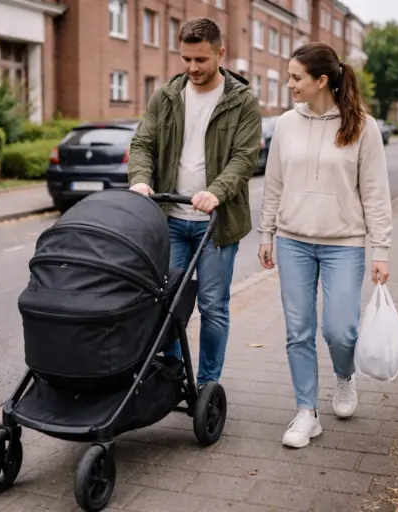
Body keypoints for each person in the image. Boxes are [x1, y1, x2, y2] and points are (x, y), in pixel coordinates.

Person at [257, 42, 393, 448]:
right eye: (289, 76)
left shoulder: (362, 127)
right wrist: (266, 233)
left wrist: (381, 249)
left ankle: (345, 377)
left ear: (321, 81)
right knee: (298, 331)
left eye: (296, 77)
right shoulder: (284, 124)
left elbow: (375, 193)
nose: (289, 84)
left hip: (344, 244)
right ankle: (306, 412)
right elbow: (274, 183)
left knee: (340, 330)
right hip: (293, 241)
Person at [128, 17, 261, 387]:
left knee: (213, 306)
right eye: (186, 59)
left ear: (221, 53)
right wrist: (140, 181)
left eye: (201, 60)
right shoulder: (167, 96)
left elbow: (244, 158)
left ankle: (206, 385)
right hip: (170, 217)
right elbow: (143, 144)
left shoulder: (242, 101)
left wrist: (216, 191)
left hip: (217, 225)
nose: (192, 68)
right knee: (167, 301)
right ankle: (173, 373)